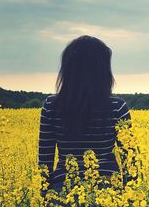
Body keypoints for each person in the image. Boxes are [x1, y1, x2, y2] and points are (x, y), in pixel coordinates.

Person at [38, 35, 131, 194]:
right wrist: (131, 197)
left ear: (67, 69)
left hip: (63, 189)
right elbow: (129, 160)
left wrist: (47, 196)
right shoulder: (117, 107)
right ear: (103, 70)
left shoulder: (51, 106)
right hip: (108, 190)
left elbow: (44, 161)